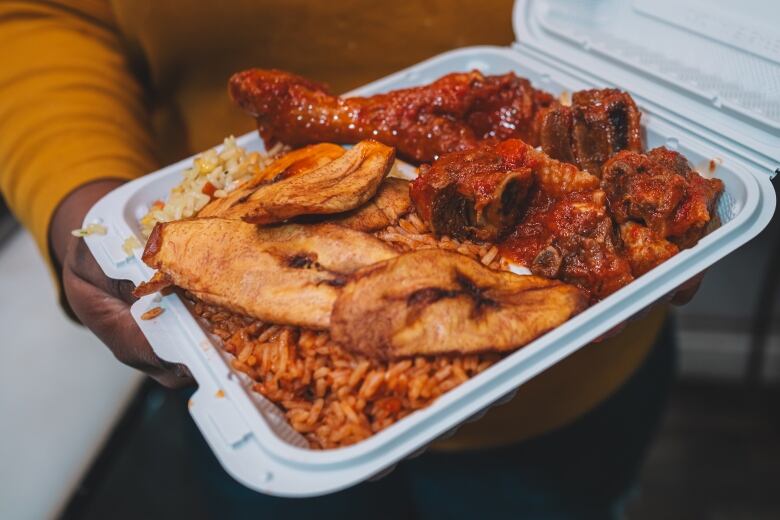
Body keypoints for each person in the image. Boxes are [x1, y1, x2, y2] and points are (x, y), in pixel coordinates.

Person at [0, 1, 702, 518]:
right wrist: (82, 202)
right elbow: (44, 18)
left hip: (571, 394)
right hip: (261, 409)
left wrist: (694, 100)